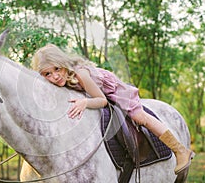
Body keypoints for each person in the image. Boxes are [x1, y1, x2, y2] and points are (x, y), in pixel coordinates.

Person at [31, 43, 194, 175]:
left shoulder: (80, 74)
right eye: (47, 74)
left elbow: (101, 100)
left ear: (63, 64)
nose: (55, 77)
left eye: (57, 69)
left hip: (114, 91)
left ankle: (180, 150)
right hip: (97, 92)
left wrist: (84, 103)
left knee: (138, 116)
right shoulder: (60, 82)